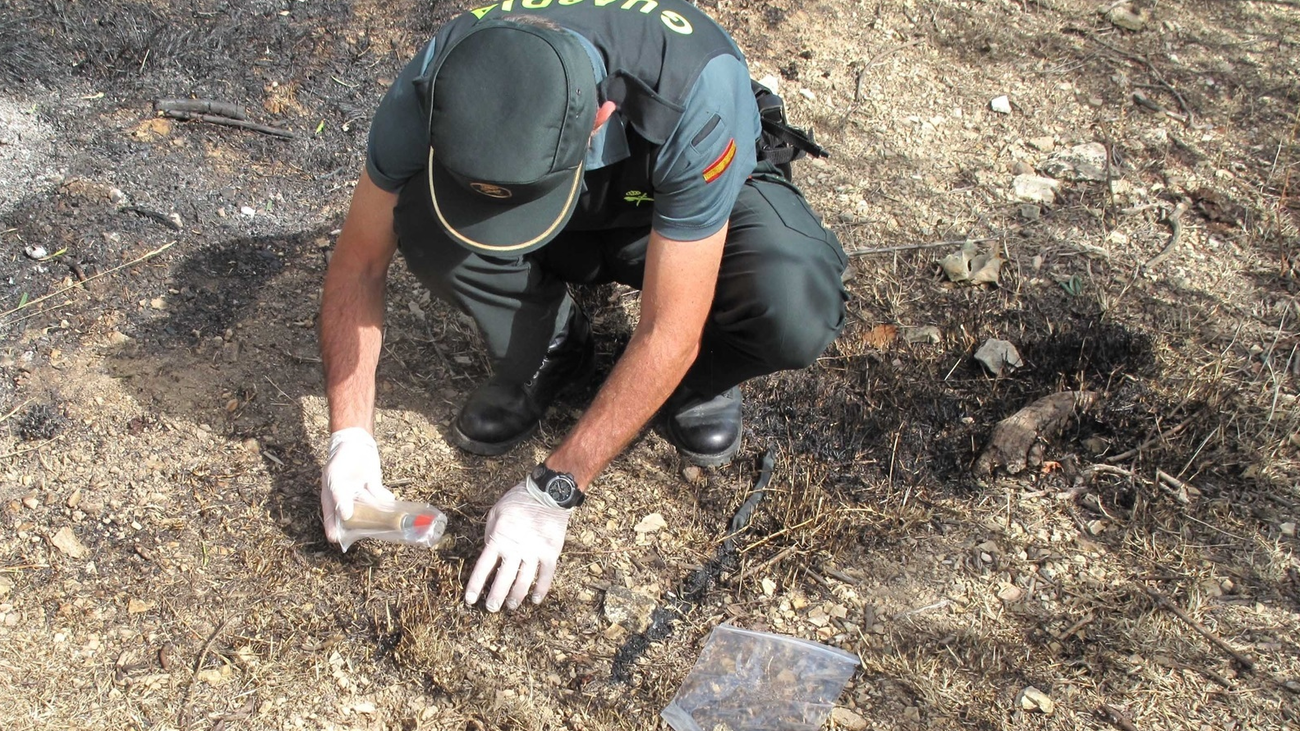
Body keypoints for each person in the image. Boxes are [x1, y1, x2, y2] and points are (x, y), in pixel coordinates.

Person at [318, 0, 848, 613]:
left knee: (792, 303)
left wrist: (555, 487)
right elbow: (359, 264)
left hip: (675, 204)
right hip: (565, 215)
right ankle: (552, 347)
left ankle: (701, 378)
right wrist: (348, 439)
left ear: (600, 117)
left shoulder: (693, 89)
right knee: (423, 218)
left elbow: (669, 329)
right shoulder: (436, 80)